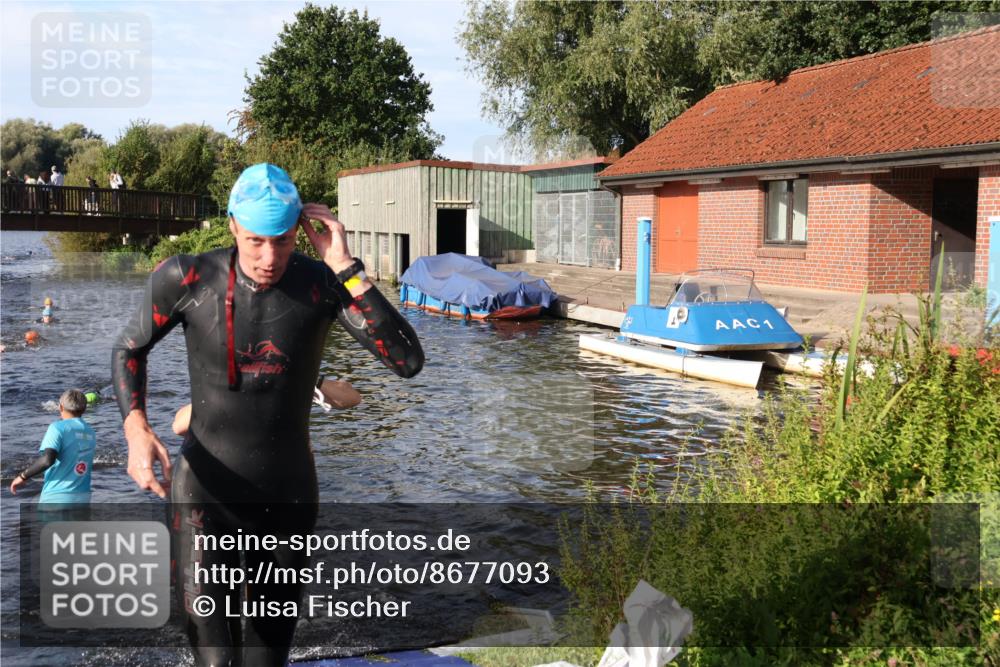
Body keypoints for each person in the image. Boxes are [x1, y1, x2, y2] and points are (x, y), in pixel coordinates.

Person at [110, 162, 423, 666]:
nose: (269, 256)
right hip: (203, 495)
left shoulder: (322, 284)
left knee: (264, 660)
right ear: (233, 223)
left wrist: (347, 267)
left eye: (282, 240)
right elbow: (129, 346)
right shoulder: (188, 276)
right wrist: (135, 428)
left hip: (286, 495)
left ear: (300, 230)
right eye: (256, 240)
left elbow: (407, 361)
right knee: (214, 660)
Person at [10, 389, 97, 503]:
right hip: (83, 497)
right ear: (84, 409)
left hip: (56, 497)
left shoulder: (57, 428)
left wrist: (22, 477)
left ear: (61, 407)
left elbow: (47, 460)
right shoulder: (90, 431)